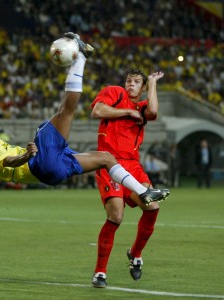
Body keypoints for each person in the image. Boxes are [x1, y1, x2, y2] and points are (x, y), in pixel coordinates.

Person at [0, 33, 169, 206]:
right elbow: (8, 162)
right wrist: (26, 156)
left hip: (51, 172)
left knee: (106, 158)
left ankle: (143, 192)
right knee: (64, 112)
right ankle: (81, 58)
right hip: (38, 162)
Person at [90, 67, 165, 288]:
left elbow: (152, 112)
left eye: (136, 82)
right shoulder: (115, 93)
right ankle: (100, 273)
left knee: (153, 207)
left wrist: (152, 83)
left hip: (133, 166)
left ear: (142, 88)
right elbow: (97, 111)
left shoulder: (141, 107)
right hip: (108, 162)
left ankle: (135, 253)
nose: (130, 84)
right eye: (128, 80)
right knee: (116, 217)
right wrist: (126, 112)